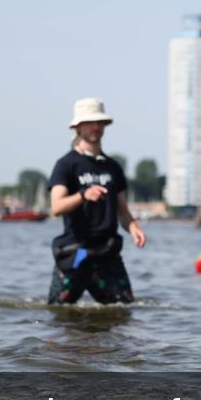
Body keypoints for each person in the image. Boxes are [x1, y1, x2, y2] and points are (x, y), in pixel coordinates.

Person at [47, 98, 146, 304]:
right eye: (90, 122)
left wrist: (134, 228)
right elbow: (56, 207)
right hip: (76, 252)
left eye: (100, 122)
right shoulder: (65, 165)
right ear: (77, 127)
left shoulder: (112, 167)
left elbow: (123, 211)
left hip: (107, 253)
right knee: (58, 311)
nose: (96, 127)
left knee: (124, 310)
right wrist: (83, 195)